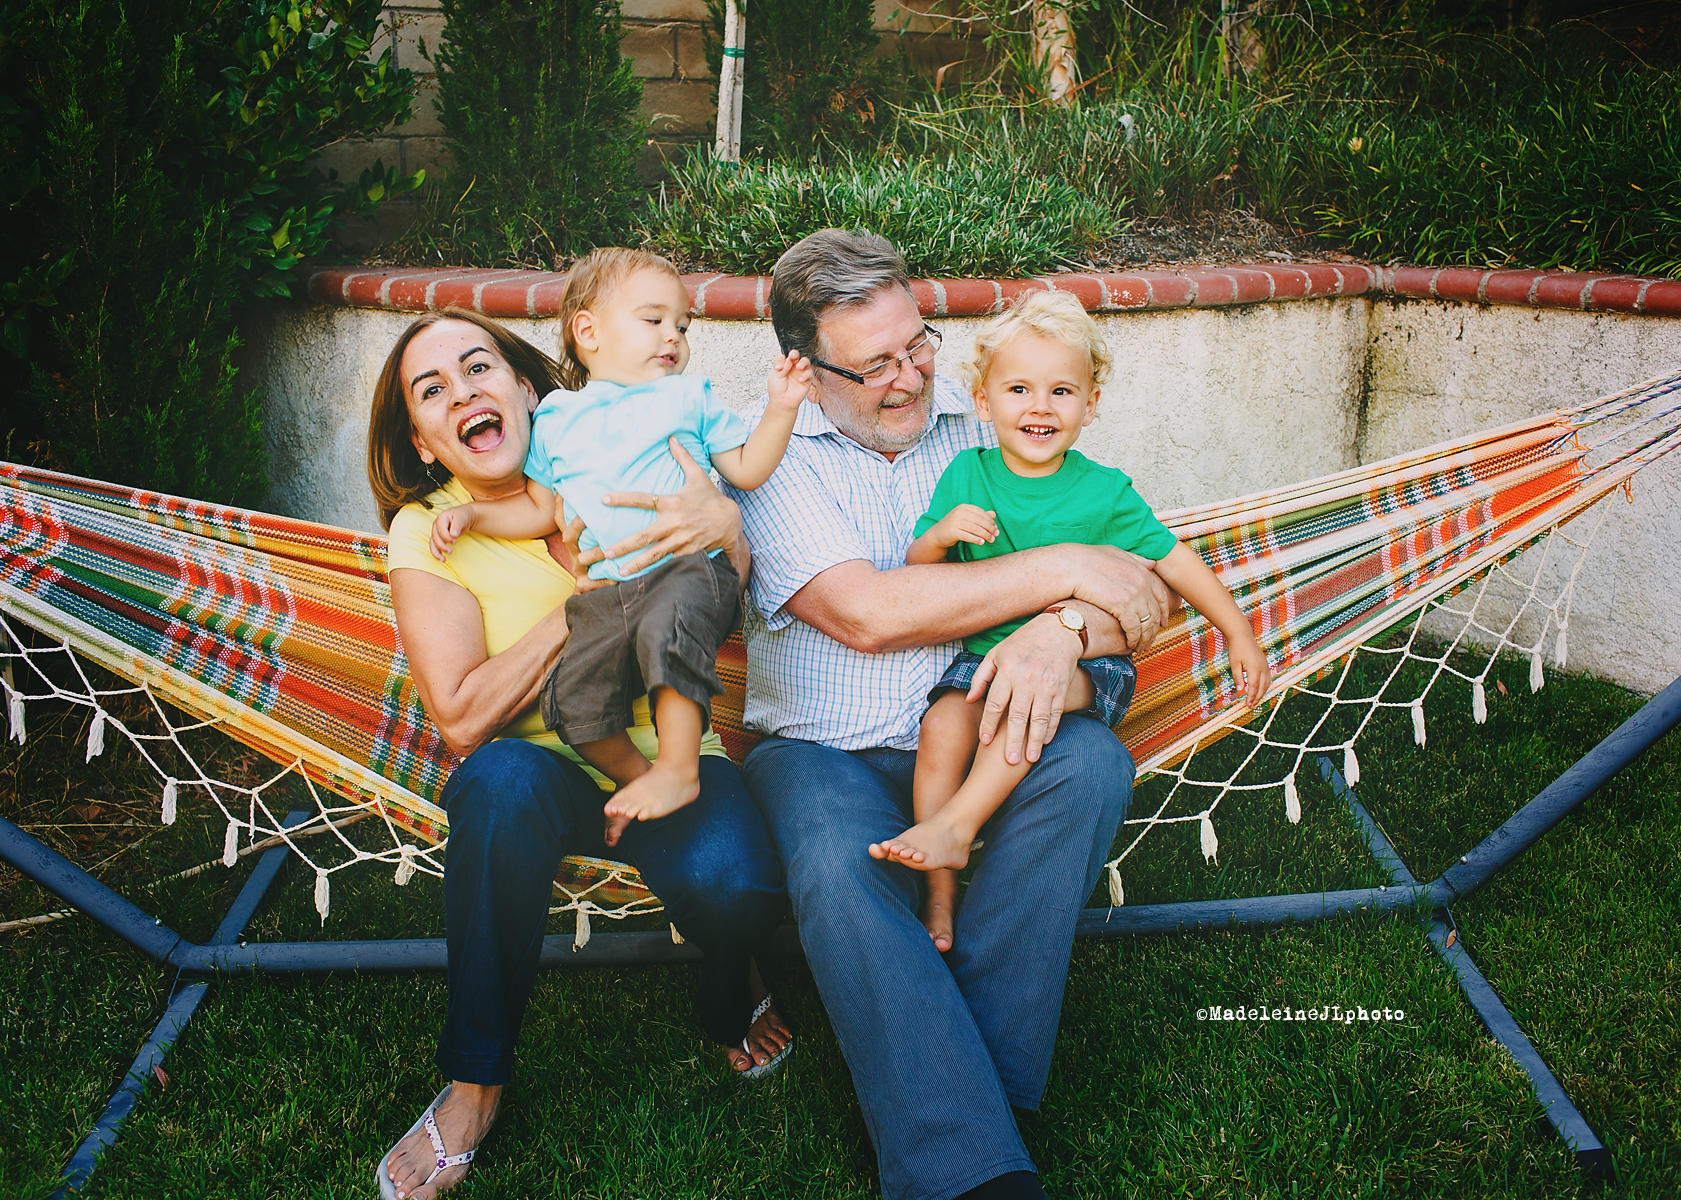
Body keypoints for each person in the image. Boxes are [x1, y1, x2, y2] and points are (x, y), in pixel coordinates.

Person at [725, 230, 1176, 1200]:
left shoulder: (991, 420)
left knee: (1092, 766)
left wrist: (1062, 629)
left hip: (985, 736)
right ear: (803, 369)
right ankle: (974, 1169)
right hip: (823, 750)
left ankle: (970, 1106)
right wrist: (1063, 571)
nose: (908, 376)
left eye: (916, 343)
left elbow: (1142, 594)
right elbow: (866, 613)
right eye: (876, 362)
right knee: (838, 865)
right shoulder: (768, 459)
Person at [369, 308, 792, 1200]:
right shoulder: (432, 527)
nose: (464, 394)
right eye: (433, 391)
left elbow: (732, 589)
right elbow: (461, 716)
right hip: (542, 774)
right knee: (495, 782)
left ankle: (730, 981)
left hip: (667, 749)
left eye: (480, 369)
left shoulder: (632, 447)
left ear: (528, 390)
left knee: (738, 884)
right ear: (422, 438)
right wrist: (582, 603)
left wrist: (725, 521)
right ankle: (475, 1083)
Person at [872, 290, 1272, 952]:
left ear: (1089, 406)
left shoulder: (1105, 491)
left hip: (1089, 667)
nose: (1039, 406)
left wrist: (1238, 632)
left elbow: (1177, 564)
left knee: (1030, 694)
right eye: (1019, 388)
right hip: (984, 657)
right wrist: (941, 534)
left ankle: (958, 823)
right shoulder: (966, 477)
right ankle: (939, 894)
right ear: (983, 403)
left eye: (1061, 391)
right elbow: (917, 570)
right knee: (943, 722)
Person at [431, 250, 814, 839]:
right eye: (653, 320)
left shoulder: (687, 398)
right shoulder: (557, 418)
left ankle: (682, 770)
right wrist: (475, 515)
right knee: (574, 699)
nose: (674, 337)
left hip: (687, 572)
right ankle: (641, 779)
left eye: (682, 326)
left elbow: (746, 468)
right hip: (611, 593)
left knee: (671, 631)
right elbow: (539, 509)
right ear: (588, 331)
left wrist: (782, 409)